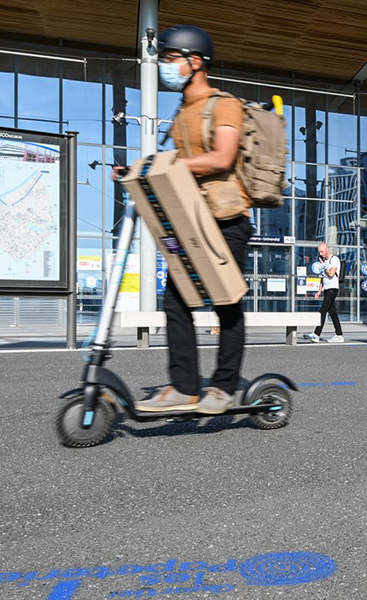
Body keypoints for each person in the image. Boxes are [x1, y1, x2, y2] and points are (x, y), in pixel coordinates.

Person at [125, 25, 253, 413]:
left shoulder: (223, 105)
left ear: (195, 62)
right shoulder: (182, 112)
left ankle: (223, 387)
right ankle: (184, 387)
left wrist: (163, 165)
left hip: (227, 220)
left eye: (170, 59)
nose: (165, 66)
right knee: (176, 302)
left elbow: (222, 158)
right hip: (192, 221)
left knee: (226, 304)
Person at [303, 243, 344, 343]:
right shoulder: (324, 262)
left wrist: (324, 266)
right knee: (332, 313)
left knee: (323, 310)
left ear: (327, 249)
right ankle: (339, 335)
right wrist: (319, 291)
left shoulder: (334, 259)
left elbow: (331, 273)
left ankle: (316, 334)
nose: (320, 254)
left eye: (322, 251)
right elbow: (322, 278)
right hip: (327, 289)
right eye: (319, 252)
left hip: (333, 288)